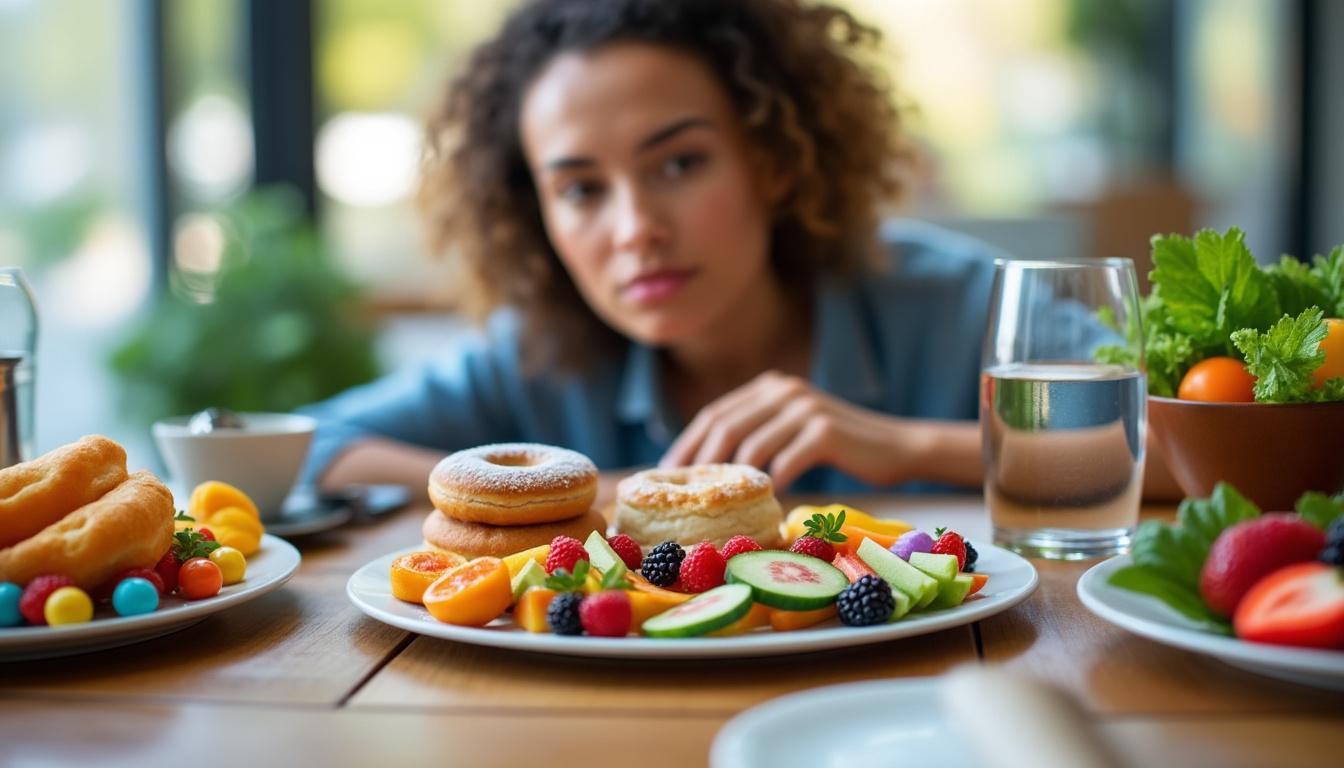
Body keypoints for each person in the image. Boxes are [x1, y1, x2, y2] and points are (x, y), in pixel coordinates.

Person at [300, 0, 997, 496]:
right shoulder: (538, 354)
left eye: (679, 164)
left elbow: (1111, 440)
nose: (635, 229)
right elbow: (295, 449)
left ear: (774, 161)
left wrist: (906, 447)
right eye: (581, 190)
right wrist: (576, 492)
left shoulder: (959, 305)